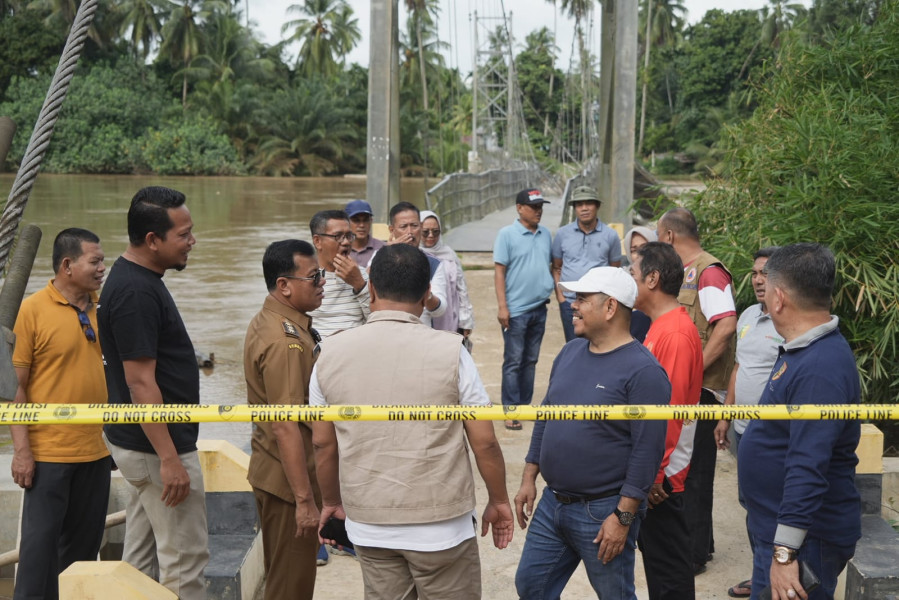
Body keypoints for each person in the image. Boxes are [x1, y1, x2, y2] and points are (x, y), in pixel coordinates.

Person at [310, 244, 514, 599]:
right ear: (425, 295)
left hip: (370, 523)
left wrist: (330, 501)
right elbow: (485, 441)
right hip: (442, 525)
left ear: (370, 288)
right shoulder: (453, 352)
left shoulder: (329, 353)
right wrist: (499, 500)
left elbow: (322, 444)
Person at [514, 266, 670, 599]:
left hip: (602, 512)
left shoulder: (644, 372)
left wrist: (623, 517)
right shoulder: (570, 352)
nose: (573, 304)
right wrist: (530, 476)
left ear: (610, 307)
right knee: (530, 586)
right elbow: (546, 415)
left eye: (583, 299)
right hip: (552, 503)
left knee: (614, 595)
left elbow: (647, 452)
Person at [99, 186, 208, 599]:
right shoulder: (136, 292)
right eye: (184, 234)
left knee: (139, 564)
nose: (191, 242)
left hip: (141, 443)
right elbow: (140, 382)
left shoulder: (138, 279)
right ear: (152, 240)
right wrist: (169, 459)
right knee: (185, 563)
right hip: (156, 449)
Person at [738, 243, 861, 600]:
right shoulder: (803, 348)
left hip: (805, 543)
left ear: (777, 299)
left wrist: (785, 552)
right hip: (783, 531)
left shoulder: (820, 368)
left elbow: (809, 465)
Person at [10, 228, 111, 600]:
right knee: (37, 558)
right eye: (95, 261)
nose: (103, 268)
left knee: (81, 558)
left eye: (103, 261)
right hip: (48, 456)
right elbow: (14, 389)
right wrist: (22, 451)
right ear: (67, 265)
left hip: (97, 454)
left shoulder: (105, 308)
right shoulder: (32, 310)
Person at [244, 240, 326, 599]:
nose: (322, 282)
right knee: (290, 587)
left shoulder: (275, 322)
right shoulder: (285, 342)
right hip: (289, 484)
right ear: (284, 285)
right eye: (314, 277)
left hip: (278, 473)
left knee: (284, 578)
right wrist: (305, 501)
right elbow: (285, 424)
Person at [657, 206, 737, 573]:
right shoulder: (690, 272)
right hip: (690, 387)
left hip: (702, 390)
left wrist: (691, 371)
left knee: (696, 472)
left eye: (660, 238)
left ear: (670, 236)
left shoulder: (710, 272)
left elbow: (725, 326)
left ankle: (692, 554)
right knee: (689, 468)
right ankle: (699, 544)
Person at [630, 242, 704, 600]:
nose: (630, 281)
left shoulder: (673, 333)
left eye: (633, 273)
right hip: (658, 471)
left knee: (670, 572)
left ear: (652, 279)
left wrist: (654, 475)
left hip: (664, 480)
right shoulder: (661, 325)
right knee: (661, 568)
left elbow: (669, 413)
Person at [714, 246, 783, 599]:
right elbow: (739, 369)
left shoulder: (789, 323)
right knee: (751, 506)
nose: (758, 279)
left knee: (772, 509)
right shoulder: (746, 317)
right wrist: (726, 415)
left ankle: (774, 577)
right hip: (743, 431)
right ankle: (761, 573)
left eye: (766, 273)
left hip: (774, 435)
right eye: (755, 273)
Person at [493, 188, 555, 430]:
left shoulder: (545, 234)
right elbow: (500, 272)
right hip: (516, 310)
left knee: (531, 360)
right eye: (533, 206)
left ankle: (525, 406)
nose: (538, 211)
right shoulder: (506, 235)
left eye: (540, 206)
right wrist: (502, 307)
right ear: (519, 208)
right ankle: (510, 410)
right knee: (514, 361)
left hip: (540, 307)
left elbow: (549, 265)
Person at [552, 185, 622, 342]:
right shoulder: (563, 234)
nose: (584, 208)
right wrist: (561, 298)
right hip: (570, 302)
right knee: (573, 345)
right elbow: (556, 267)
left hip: (598, 303)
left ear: (597, 206)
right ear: (575, 208)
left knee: (599, 344)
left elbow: (614, 269)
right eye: (579, 204)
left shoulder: (610, 235)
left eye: (589, 203)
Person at [308, 210, 370, 338]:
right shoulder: (304, 279)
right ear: (318, 241)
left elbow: (378, 320)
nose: (346, 242)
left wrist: (359, 284)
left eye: (349, 236)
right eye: (338, 236)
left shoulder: (363, 275)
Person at [387, 202, 447, 328]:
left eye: (414, 226)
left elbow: (440, 309)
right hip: (386, 329)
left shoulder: (433, 264)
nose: (410, 232)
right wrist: (387, 253)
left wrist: (427, 295)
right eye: (403, 226)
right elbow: (365, 288)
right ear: (392, 230)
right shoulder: (379, 258)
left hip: (420, 331)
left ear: (420, 226)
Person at [419, 210, 474, 341]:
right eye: (425, 232)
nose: (431, 236)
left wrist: (465, 321)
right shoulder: (415, 255)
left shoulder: (449, 255)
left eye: (436, 231)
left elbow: (461, 289)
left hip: (449, 316)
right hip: (423, 318)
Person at [624, 226, 658, 342]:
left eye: (644, 248)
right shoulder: (622, 280)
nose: (639, 254)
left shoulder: (667, 275)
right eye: (634, 250)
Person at [345, 200, 384, 268]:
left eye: (365, 220)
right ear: (346, 222)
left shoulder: (383, 248)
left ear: (371, 221)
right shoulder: (339, 249)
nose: (362, 225)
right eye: (356, 220)